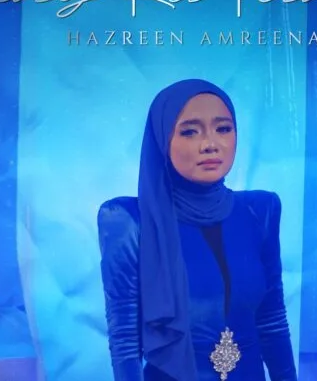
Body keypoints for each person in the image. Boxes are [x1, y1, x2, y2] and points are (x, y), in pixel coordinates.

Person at [97, 79, 297, 381]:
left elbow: (271, 321)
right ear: (163, 139)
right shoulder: (129, 220)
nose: (210, 144)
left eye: (223, 129)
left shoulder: (260, 211)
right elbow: (125, 342)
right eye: (190, 131)